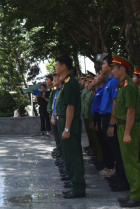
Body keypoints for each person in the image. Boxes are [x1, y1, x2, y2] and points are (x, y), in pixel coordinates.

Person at [109, 54, 140, 208]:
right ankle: (133, 193)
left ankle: (137, 195)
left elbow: (131, 111)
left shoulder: (129, 86)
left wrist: (127, 132)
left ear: (122, 68)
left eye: (114, 68)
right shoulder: (123, 85)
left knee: (132, 162)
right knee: (126, 162)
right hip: (122, 125)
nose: (112, 72)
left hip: (128, 126)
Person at [55, 56, 86, 199]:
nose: (55, 68)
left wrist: (67, 129)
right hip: (65, 121)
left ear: (64, 66)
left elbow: (70, 108)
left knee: (72, 155)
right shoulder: (66, 82)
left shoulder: (70, 82)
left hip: (69, 123)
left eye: (57, 65)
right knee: (69, 155)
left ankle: (78, 187)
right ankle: (75, 184)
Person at [100, 54, 128, 192]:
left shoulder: (116, 82)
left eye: (104, 64)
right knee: (114, 151)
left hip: (113, 120)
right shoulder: (110, 81)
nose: (102, 66)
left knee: (118, 152)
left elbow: (115, 105)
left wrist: (111, 124)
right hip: (106, 118)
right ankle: (119, 176)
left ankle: (123, 180)